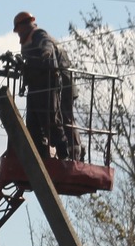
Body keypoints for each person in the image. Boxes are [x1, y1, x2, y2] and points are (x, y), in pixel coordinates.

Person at [12, 11, 83, 161]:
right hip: (41, 85)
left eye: (18, 31)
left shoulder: (39, 35)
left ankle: (70, 156)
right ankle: (42, 155)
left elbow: (47, 47)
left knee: (57, 119)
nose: (18, 35)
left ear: (24, 26)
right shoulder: (28, 41)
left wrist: (45, 53)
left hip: (59, 85)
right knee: (36, 122)